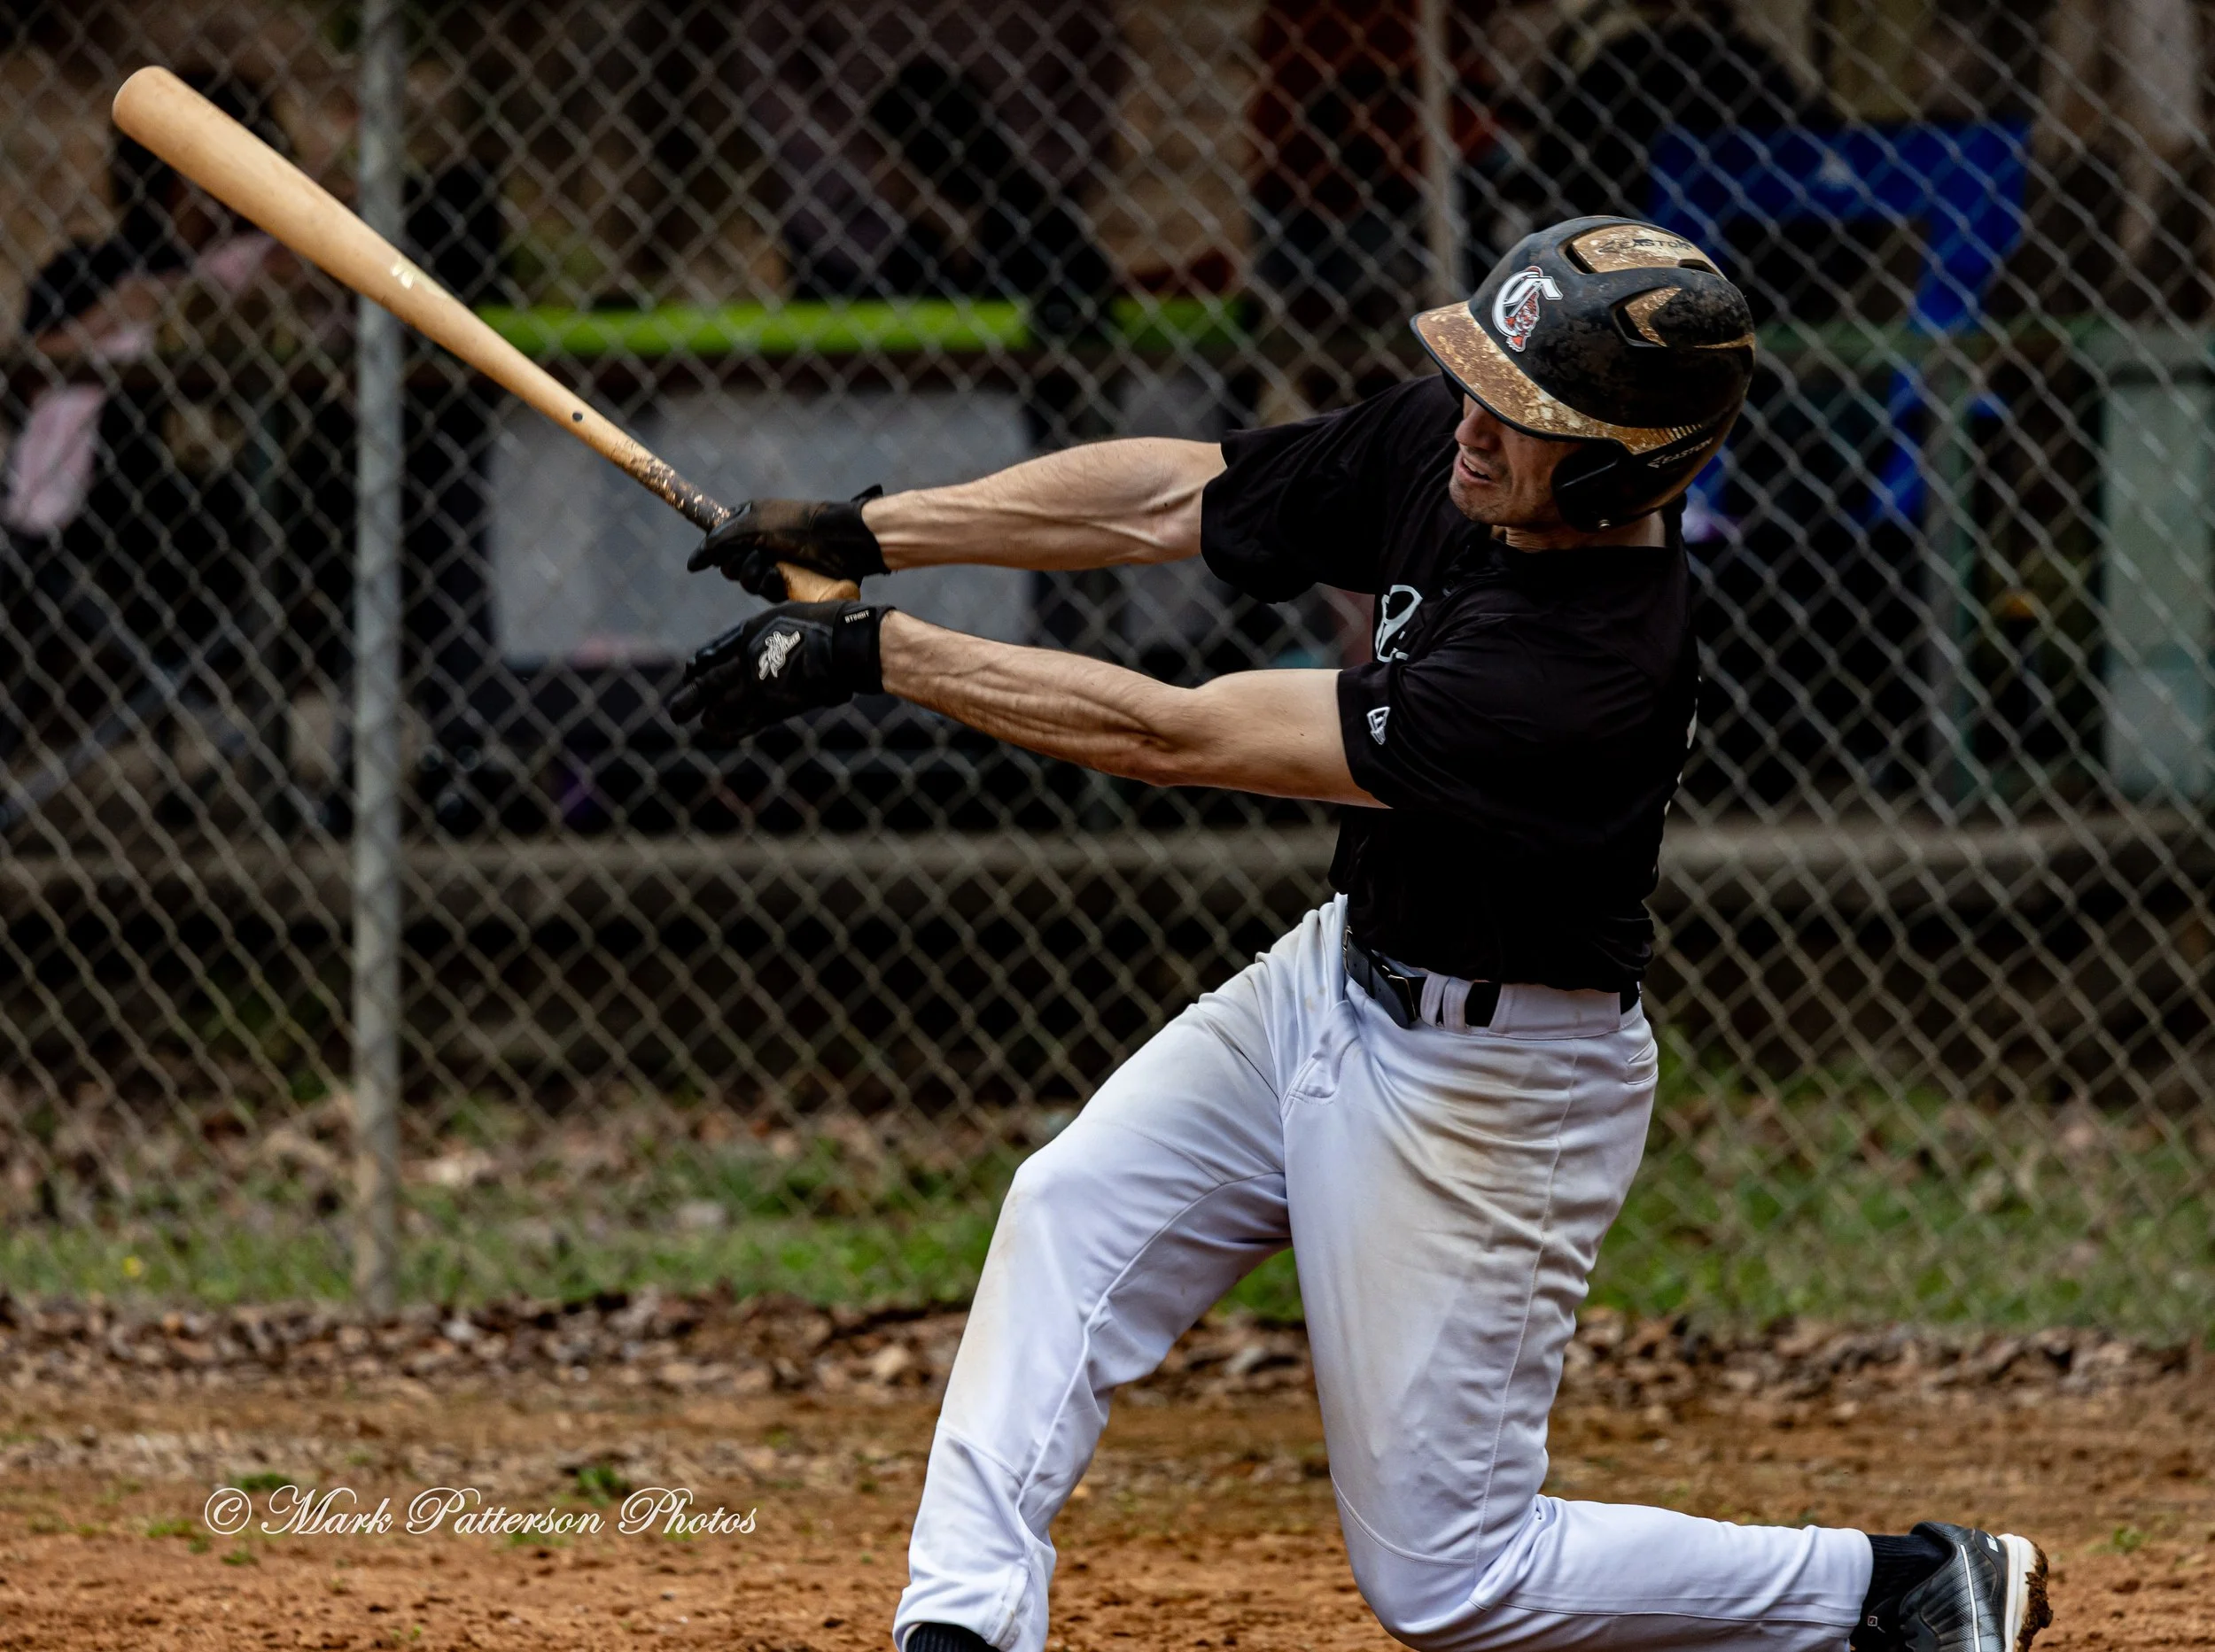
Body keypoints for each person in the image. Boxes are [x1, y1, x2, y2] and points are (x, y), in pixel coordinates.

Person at [672, 217, 2050, 1652]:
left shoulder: (1580, 673)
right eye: (1476, 383)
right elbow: (1178, 497)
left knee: (1451, 1582)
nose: (1469, 428)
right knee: (1069, 1210)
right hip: (1335, 977)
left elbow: (1178, 734)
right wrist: (875, 528)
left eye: (1520, 418)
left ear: (1619, 465)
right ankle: (959, 1627)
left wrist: (880, 650)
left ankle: (1893, 1588)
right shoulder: (1467, 456)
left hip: (1494, 1088)